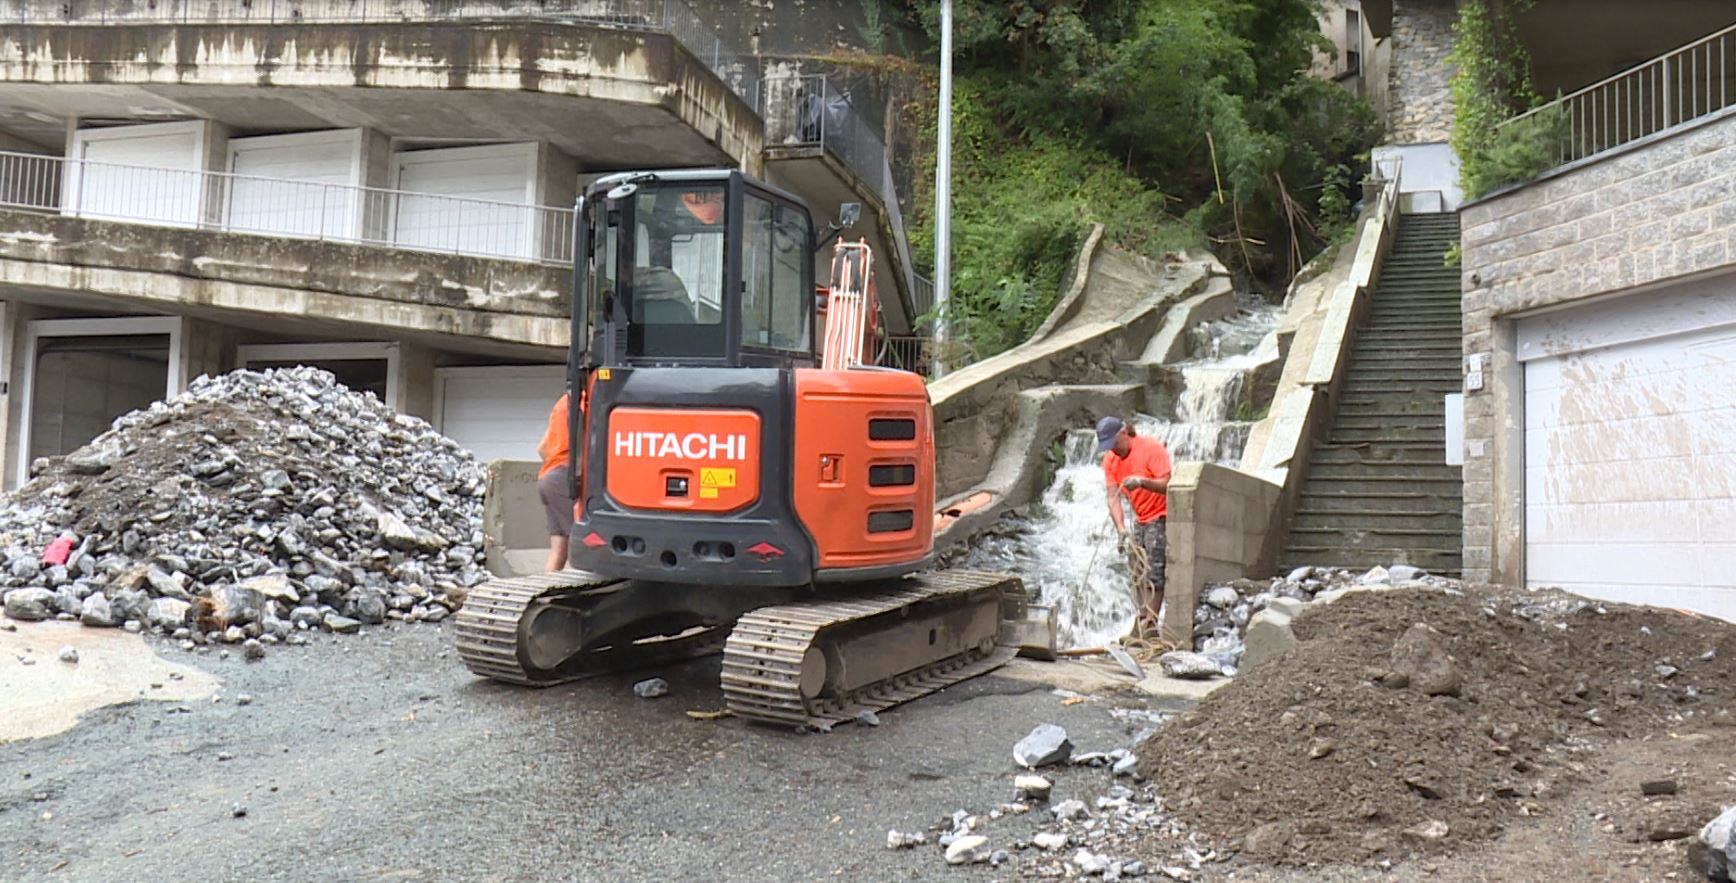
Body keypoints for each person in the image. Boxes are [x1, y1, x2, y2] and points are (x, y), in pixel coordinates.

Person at [1096, 415, 1172, 638]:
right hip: (1139, 517)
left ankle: (1150, 623)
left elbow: (1168, 483)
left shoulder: (1150, 448)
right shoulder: (1110, 460)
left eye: (1114, 443)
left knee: (1155, 571)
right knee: (1138, 569)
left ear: (1124, 433)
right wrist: (1120, 528)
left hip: (1161, 514)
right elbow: (1113, 496)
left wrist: (1141, 481)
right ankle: (1142, 618)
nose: (1113, 450)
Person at [537, 392, 582, 572]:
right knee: (578, 545)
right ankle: (577, 596)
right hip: (564, 476)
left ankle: (546, 598)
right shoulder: (584, 400)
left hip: (548, 477)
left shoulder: (563, 403)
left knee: (558, 550)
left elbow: (541, 448)